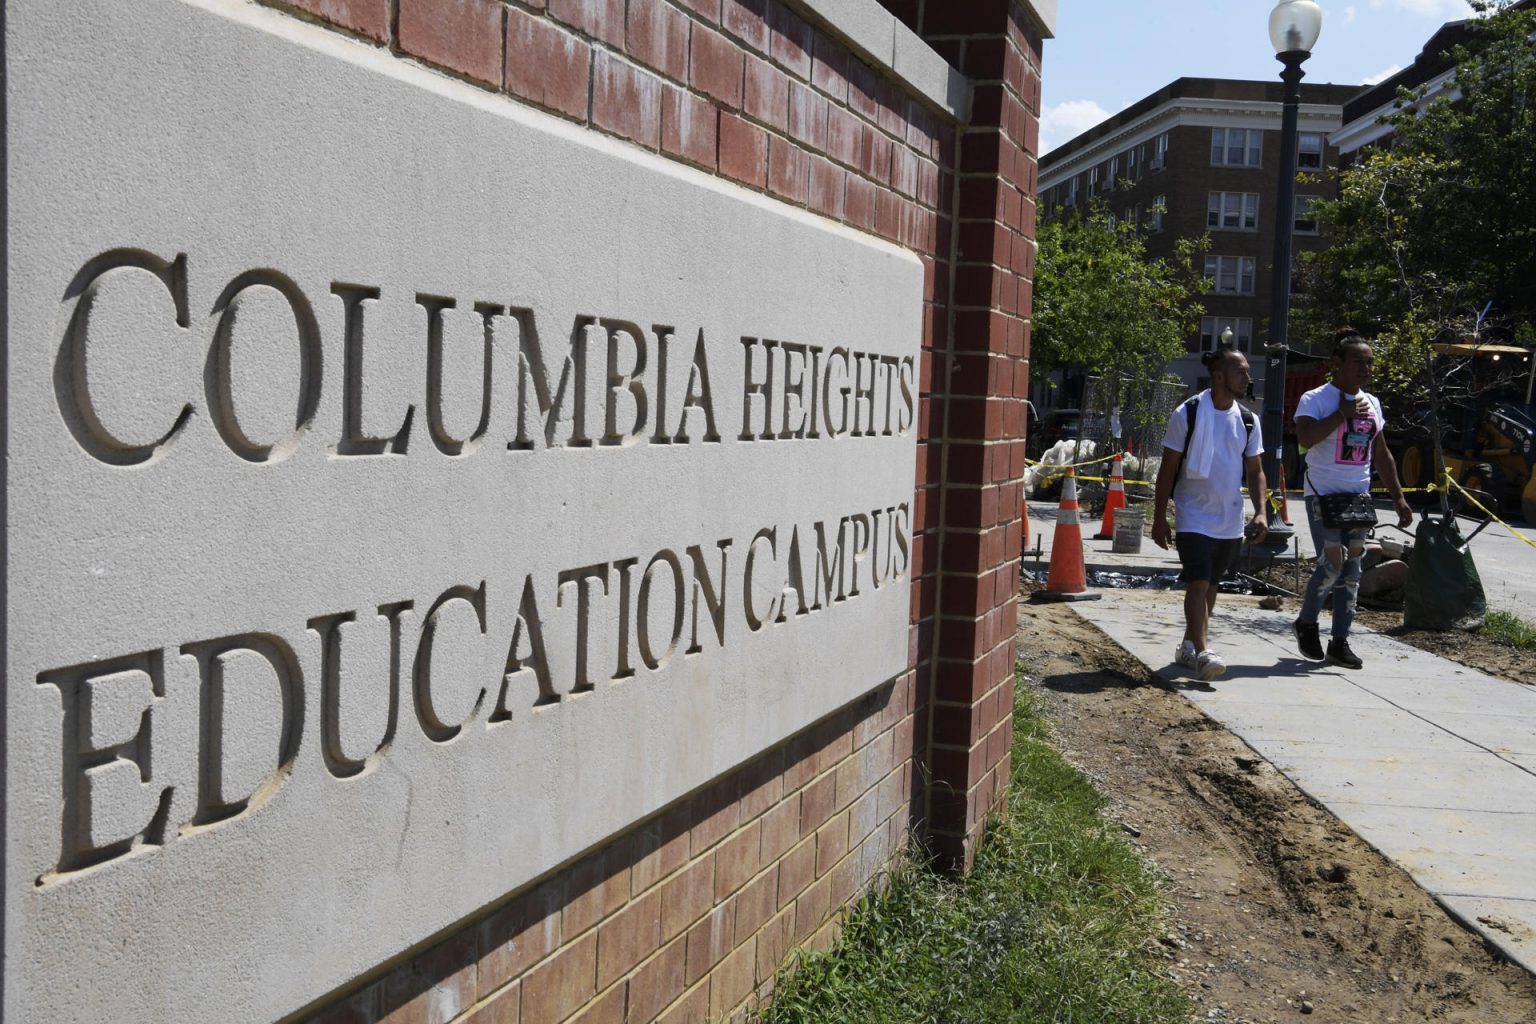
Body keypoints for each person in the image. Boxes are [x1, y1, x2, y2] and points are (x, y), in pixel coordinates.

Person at [1291, 333, 1413, 668]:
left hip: (1358, 498)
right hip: (1323, 495)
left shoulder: (1372, 403)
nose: (1366, 368)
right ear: (1337, 364)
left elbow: (1382, 453)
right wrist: (1341, 415)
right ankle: (1306, 623)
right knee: (1332, 563)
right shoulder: (1315, 399)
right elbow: (1304, 438)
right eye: (1359, 362)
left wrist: (1399, 498)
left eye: (1370, 363)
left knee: (1352, 571)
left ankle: (1340, 642)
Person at [1152, 345, 1269, 681]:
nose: (1248, 377)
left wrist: (1261, 512)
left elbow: (1256, 470)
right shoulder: (1187, 413)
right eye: (1240, 371)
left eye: (1248, 371)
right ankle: (1203, 652)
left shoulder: (1248, 420)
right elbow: (1168, 469)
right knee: (1198, 582)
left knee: (1213, 585)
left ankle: (1188, 646)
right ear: (1219, 375)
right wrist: (1161, 518)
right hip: (1192, 513)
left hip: (1228, 517)